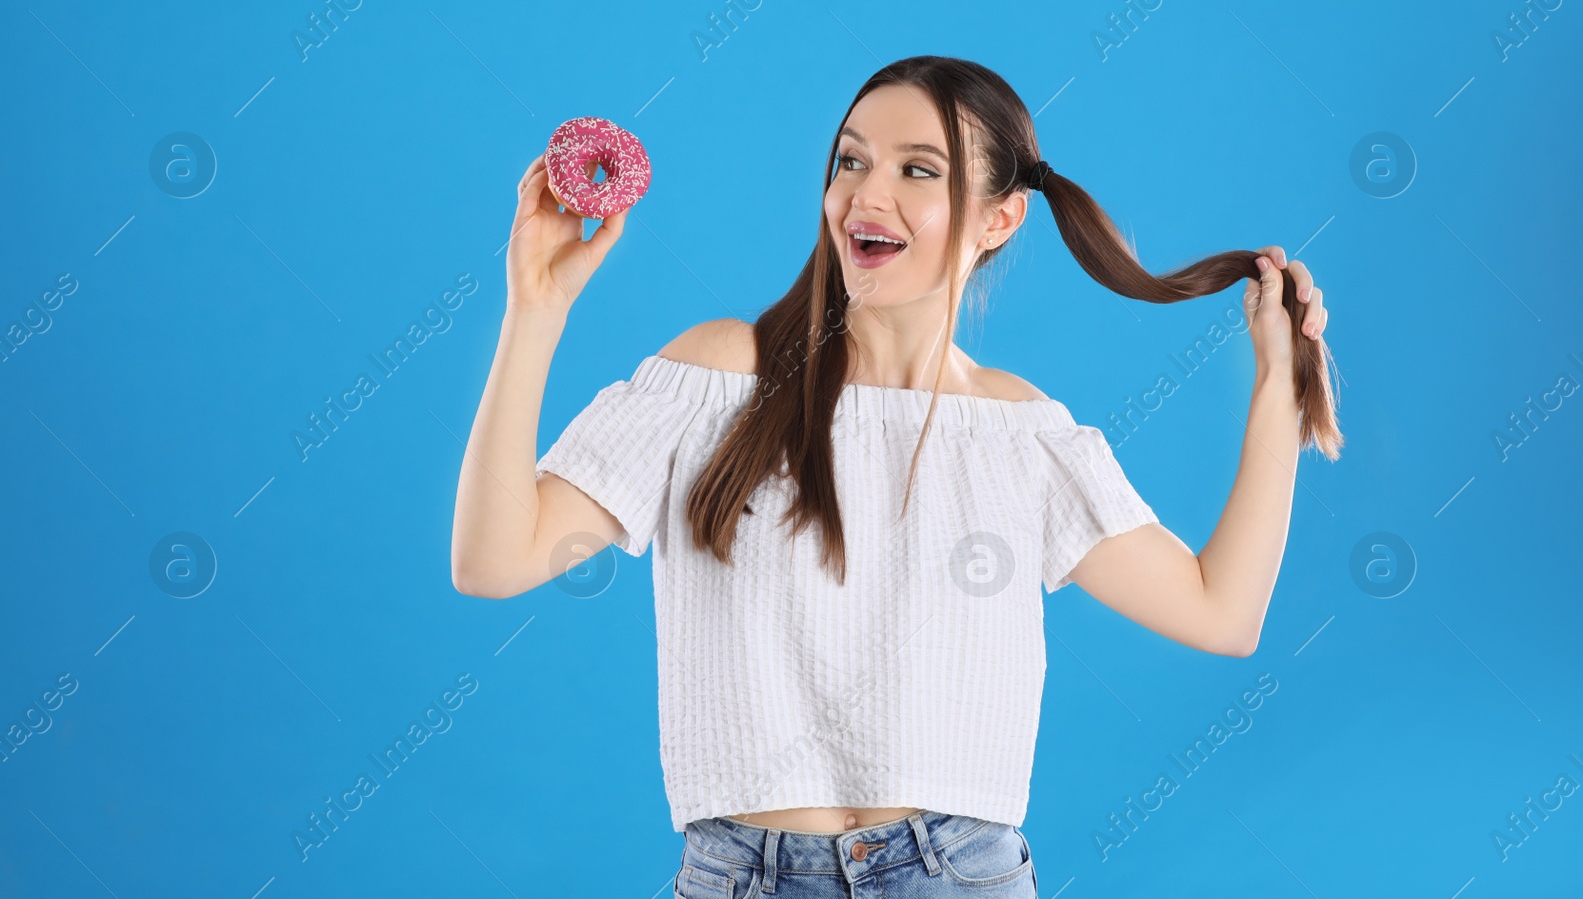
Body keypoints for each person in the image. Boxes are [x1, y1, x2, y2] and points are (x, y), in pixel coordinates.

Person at [449, 55, 1338, 896]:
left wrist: (1275, 385)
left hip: (958, 872)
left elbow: (1223, 612)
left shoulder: (1022, 433)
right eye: (850, 160)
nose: (864, 195)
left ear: (999, 218)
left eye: (919, 169)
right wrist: (537, 307)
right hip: (743, 870)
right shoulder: (718, 374)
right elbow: (493, 559)